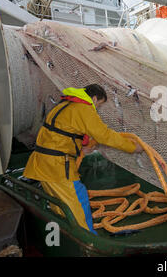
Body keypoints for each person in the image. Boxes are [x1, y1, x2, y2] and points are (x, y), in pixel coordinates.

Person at [23, 84, 143, 234]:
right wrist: (133, 147)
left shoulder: (64, 105)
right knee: (79, 201)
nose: (97, 109)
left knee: (60, 206)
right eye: (98, 104)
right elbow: (105, 135)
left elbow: (60, 133)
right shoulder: (84, 109)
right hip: (57, 168)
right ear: (93, 98)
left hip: (41, 164)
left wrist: (83, 148)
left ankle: (66, 237)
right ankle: (88, 243)